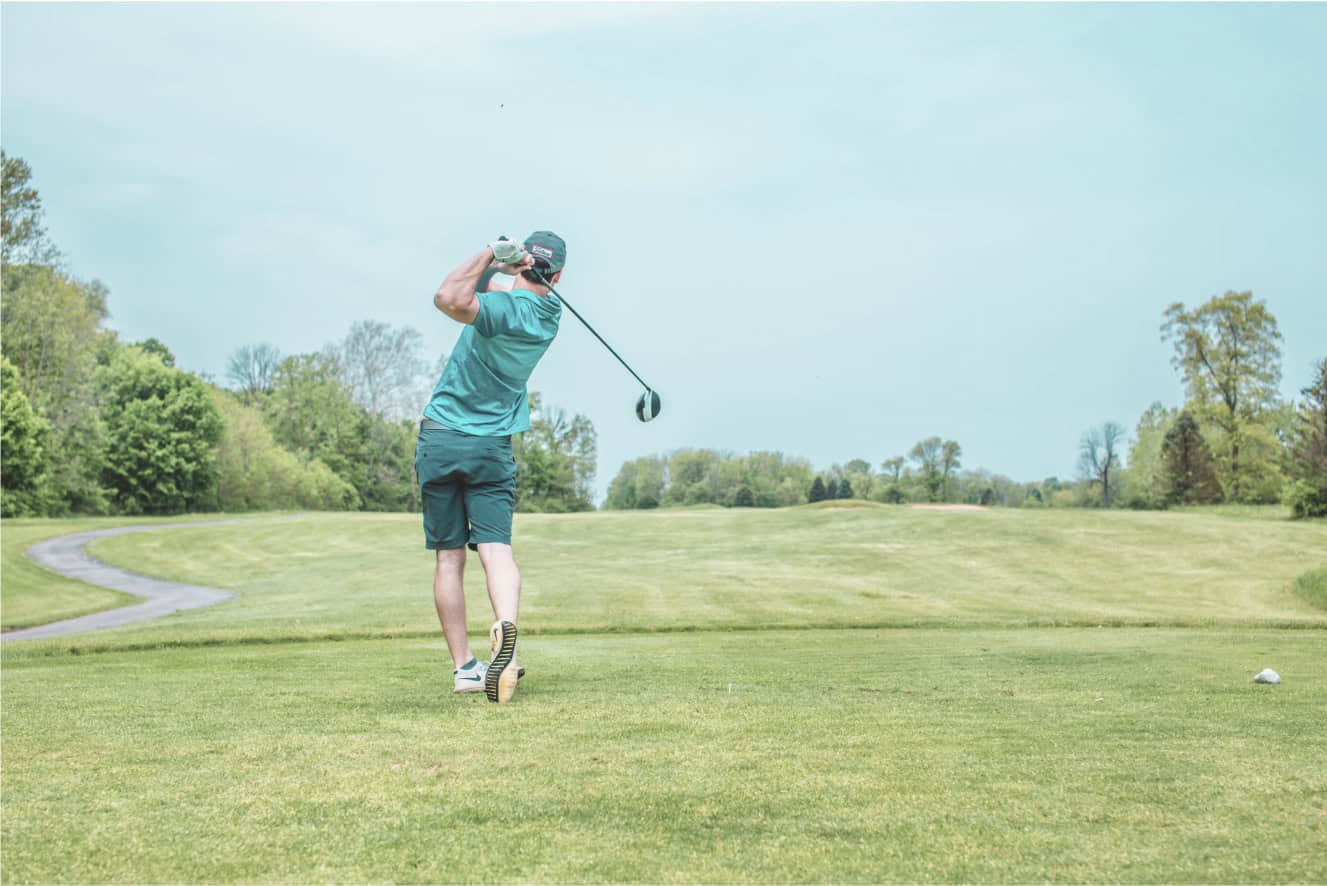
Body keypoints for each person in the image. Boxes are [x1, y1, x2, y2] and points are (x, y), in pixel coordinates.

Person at [417, 232, 566, 703]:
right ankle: (507, 636)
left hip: (440, 439)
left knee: (449, 557)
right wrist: (507, 270)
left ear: (524, 266)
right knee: (496, 549)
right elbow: (486, 295)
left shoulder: (501, 310)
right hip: (491, 450)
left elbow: (449, 296)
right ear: (558, 276)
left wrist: (491, 254)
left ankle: (465, 668)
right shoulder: (549, 318)